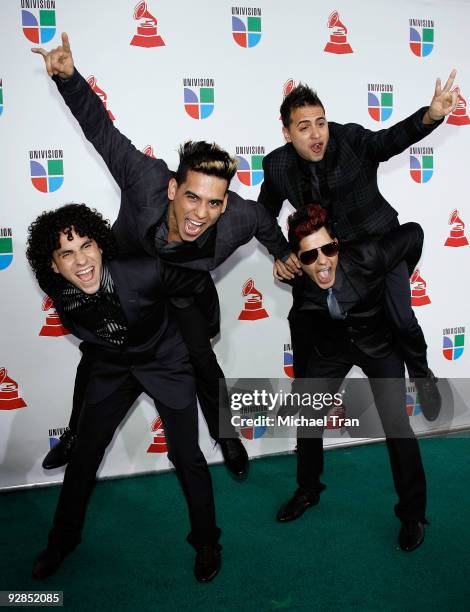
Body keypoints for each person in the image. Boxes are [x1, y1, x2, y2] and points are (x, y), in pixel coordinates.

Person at [32, 33, 293, 476]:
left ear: (226, 203)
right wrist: (70, 79)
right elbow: (103, 133)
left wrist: (282, 254)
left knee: (204, 363)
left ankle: (226, 438)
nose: (200, 214)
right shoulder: (144, 179)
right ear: (174, 189)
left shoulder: (239, 219)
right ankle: (77, 434)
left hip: (183, 290)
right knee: (97, 354)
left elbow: (266, 225)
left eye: (214, 203)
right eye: (192, 198)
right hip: (127, 279)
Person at [26, 203, 223, 582]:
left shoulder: (144, 270)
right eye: (67, 254)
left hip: (164, 359)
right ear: (53, 266)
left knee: (187, 455)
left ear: (101, 246)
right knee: (84, 456)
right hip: (113, 366)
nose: (81, 261)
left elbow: (198, 284)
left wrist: (205, 332)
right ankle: (61, 542)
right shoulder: (59, 290)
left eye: (86, 246)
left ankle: (207, 541)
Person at [259, 76, 459, 418]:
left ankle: (423, 376)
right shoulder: (277, 165)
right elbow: (262, 213)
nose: (316, 134)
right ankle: (304, 393)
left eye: (320, 123)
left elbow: (388, 141)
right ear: (287, 133)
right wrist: (281, 252)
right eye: (304, 127)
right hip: (330, 261)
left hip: (381, 245)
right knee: (302, 316)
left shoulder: (349, 139)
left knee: (401, 319)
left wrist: (430, 115)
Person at [277, 204, 428, 552]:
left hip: (378, 344)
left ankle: (413, 515)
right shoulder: (301, 285)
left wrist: (399, 276)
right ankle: (308, 490)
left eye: (328, 249)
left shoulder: (370, 256)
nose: (323, 261)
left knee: (396, 425)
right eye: (311, 255)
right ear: (299, 260)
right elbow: (302, 333)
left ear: (338, 245)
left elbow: (414, 234)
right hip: (333, 349)